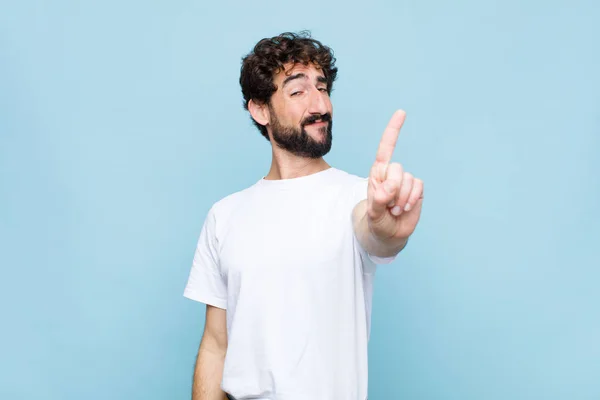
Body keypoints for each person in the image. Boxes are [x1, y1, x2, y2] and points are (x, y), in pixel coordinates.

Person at [183, 31, 424, 400]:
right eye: (298, 91)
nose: (320, 105)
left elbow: (376, 233)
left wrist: (387, 228)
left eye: (323, 88)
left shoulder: (359, 197)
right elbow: (216, 346)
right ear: (260, 109)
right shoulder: (224, 215)